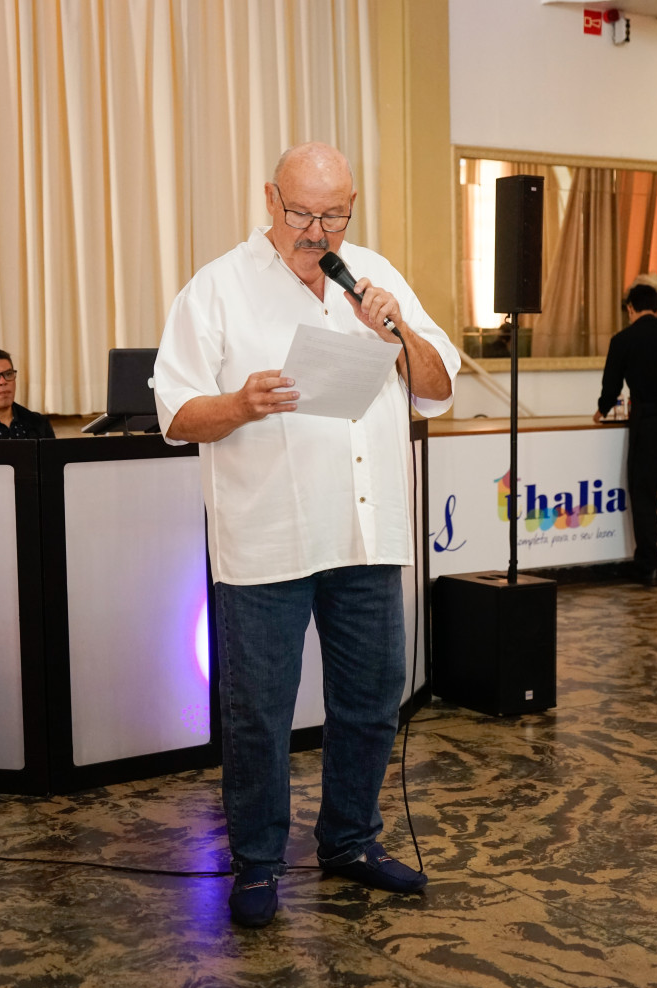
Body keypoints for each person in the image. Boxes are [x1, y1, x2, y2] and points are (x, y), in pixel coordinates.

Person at [154, 142, 460, 928]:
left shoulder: (373, 275)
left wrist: (396, 331)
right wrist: (241, 405)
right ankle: (258, 864)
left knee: (372, 699)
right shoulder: (217, 288)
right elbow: (177, 414)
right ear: (270, 199)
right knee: (258, 713)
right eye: (302, 213)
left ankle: (350, 841)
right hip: (269, 541)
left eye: (335, 215)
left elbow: (438, 392)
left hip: (364, 532)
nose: (318, 231)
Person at [593, 284, 657, 585]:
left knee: (644, 498)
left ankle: (649, 568)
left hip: (646, 425)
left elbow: (611, 387)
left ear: (630, 308)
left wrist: (602, 410)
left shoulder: (623, 340)